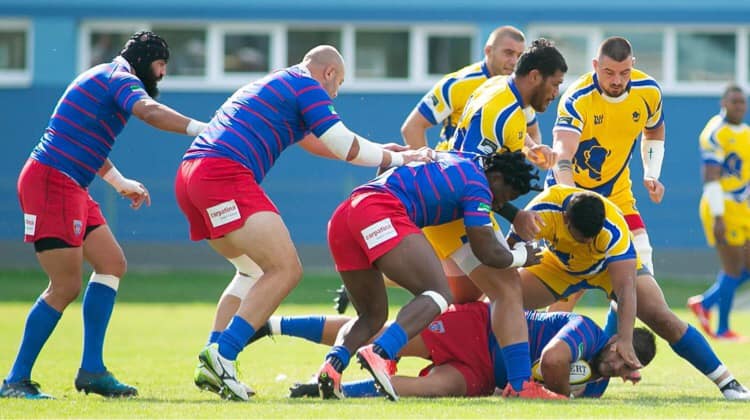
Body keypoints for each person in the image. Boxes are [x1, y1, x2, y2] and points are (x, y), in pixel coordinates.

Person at [176, 45, 431, 402]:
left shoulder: (280, 83)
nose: (336, 94)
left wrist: (386, 151)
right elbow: (341, 143)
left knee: (252, 271)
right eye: (339, 83)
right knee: (286, 269)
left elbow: (317, 142)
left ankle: (212, 358)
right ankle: (222, 354)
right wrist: (401, 159)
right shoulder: (307, 85)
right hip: (223, 174)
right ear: (328, 73)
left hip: (191, 175)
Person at [1, 31, 211, 400]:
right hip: (52, 181)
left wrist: (119, 182)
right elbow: (150, 112)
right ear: (143, 61)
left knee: (111, 263)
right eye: (160, 65)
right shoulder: (120, 77)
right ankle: (15, 380)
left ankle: (92, 371)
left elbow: (86, 141)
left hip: (69, 183)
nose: (162, 74)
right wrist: (204, 130)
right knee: (65, 286)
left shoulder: (107, 78)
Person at [318, 151, 557, 401]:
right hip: (379, 210)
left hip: (345, 214)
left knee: (371, 317)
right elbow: (486, 251)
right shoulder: (479, 187)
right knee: (439, 293)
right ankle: (381, 352)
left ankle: (332, 367)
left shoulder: (461, 158)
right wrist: (522, 256)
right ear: (496, 178)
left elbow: (399, 161)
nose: (498, 205)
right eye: (505, 197)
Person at [404, 39, 566, 399]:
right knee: (507, 288)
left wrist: (528, 147)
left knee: (464, 294)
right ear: (535, 76)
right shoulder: (501, 113)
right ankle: (521, 385)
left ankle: (390, 340)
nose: (556, 92)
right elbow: (474, 178)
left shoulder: (499, 89)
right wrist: (515, 214)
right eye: (554, 84)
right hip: (457, 212)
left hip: (448, 208)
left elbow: (491, 149)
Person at [510, 185, 750, 400]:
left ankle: (728, 383)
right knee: (504, 299)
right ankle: (512, 380)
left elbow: (626, 290)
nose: (586, 243)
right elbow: (507, 250)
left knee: (662, 317)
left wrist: (625, 341)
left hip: (605, 269)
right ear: (565, 219)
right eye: (580, 237)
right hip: (557, 266)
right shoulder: (542, 211)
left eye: (591, 238)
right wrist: (521, 256)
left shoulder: (614, 228)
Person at [255, 303, 655, 400]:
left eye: (625, 368)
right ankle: (274, 325)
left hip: (484, 373)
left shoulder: (599, 385)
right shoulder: (586, 330)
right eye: (621, 356)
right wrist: (559, 396)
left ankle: (332, 390)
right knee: (374, 333)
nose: (617, 365)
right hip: (477, 330)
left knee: (424, 390)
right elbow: (553, 361)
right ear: (616, 340)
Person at [547, 36, 665, 315]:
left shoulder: (648, 91)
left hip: (616, 192)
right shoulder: (577, 98)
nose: (617, 81)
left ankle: (617, 338)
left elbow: (654, 129)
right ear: (595, 66)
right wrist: (573, 200)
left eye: (624, 73)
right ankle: (544, 336)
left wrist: (651, 172)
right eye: (609, 72)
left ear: (633, 65)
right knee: (572, 285)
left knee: (640, 262)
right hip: (572, 193)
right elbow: (562, 153)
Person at [401, 25, 543, 148]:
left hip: (497, 169)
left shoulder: (520, 88)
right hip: (456, 167)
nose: (514, 61)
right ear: (488, 51)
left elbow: (532, 133)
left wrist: (532, 153)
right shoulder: (457, 84)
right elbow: (412, 127)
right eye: (508, 53)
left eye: (519, 56)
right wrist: (425, 166)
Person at [688, 85, 750, 341]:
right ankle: (723, 328)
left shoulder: (746, 132)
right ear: (723, 103)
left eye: (742, 102)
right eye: (734, 102)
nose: (739, 106)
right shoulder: (715, 132)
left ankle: (705, 303)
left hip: (742, 206)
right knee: (732, 269)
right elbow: (711, 178)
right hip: (722, 207)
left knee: (746, 267)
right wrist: (718, 216)